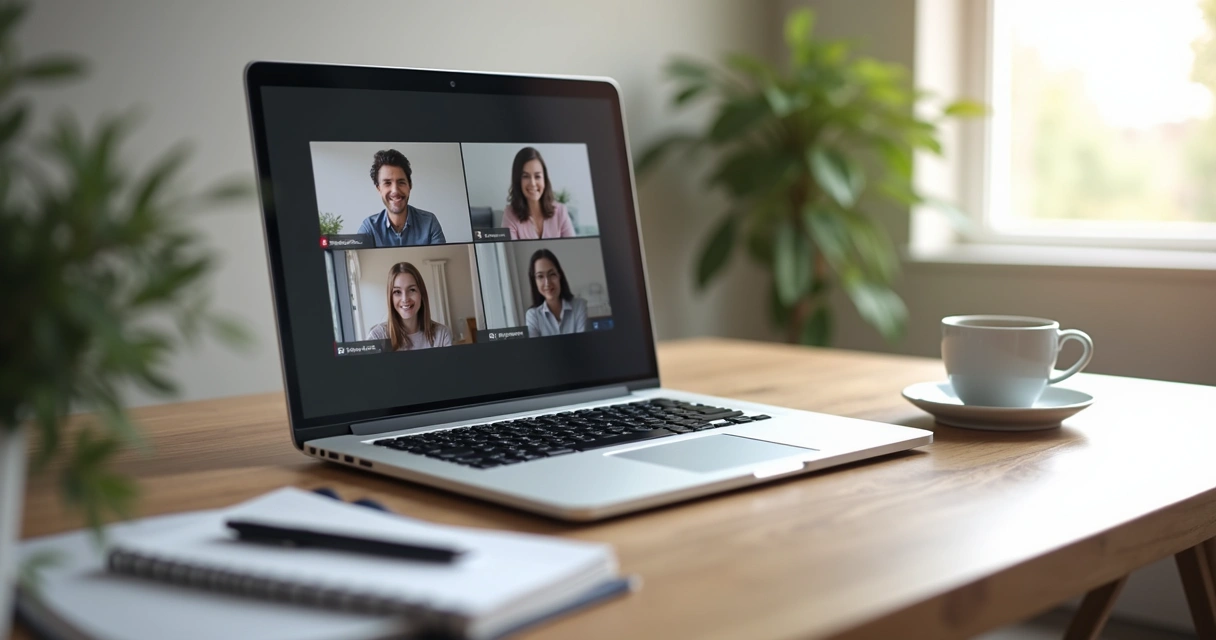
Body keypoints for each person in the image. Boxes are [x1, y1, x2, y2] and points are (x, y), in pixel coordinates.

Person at [356, 149, 446, 246]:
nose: (395, 190)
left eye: (401, 182)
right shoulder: (369, 228)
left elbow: (440, 260)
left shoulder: (429, 223)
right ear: (379, 189)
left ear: (410, 185)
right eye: (387, 183)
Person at [366, 262, 452, 350]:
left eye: (411, 290)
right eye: (397, 292)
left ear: (421, 294)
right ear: (390, 298)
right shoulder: (377, 336)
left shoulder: (442, 334)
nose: (405, 299)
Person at [502, 147, 575, 240]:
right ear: (518, 181)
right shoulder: (510, 215)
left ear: (544, 179)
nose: (532, 183)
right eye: (525, 176)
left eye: (537, 176)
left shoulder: (561, 212)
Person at [524, 249, 587, 337]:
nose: (547, 283)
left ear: (559, 275)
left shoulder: (579, 306)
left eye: (552, 274)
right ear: (534, 282)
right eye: (540, 276)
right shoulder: (533, 315)